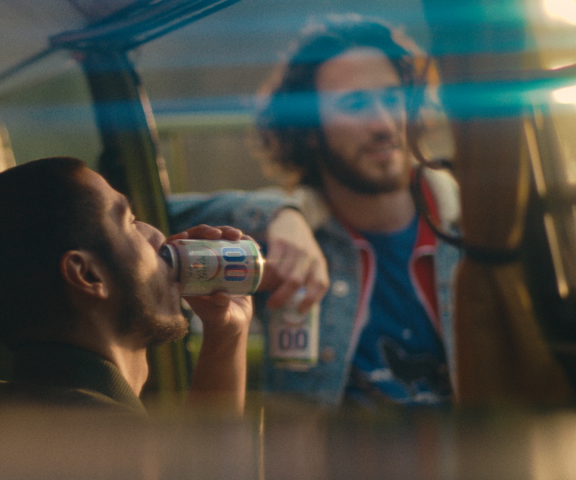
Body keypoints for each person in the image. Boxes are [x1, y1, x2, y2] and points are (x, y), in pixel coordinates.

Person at [173, 14, 461, 409]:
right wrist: (278, 215)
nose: (383, 124)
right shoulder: (288, 235)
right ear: (309, 128)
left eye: (393, 98)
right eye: (355, 104)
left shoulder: (470, 227)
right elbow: (146, 219)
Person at [0, 156, 256, 416]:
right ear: (87, 274)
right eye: (131, 223)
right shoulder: (113, 441)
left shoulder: (13, 415)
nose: (157, 236)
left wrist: (226, 333)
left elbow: (201, 462)